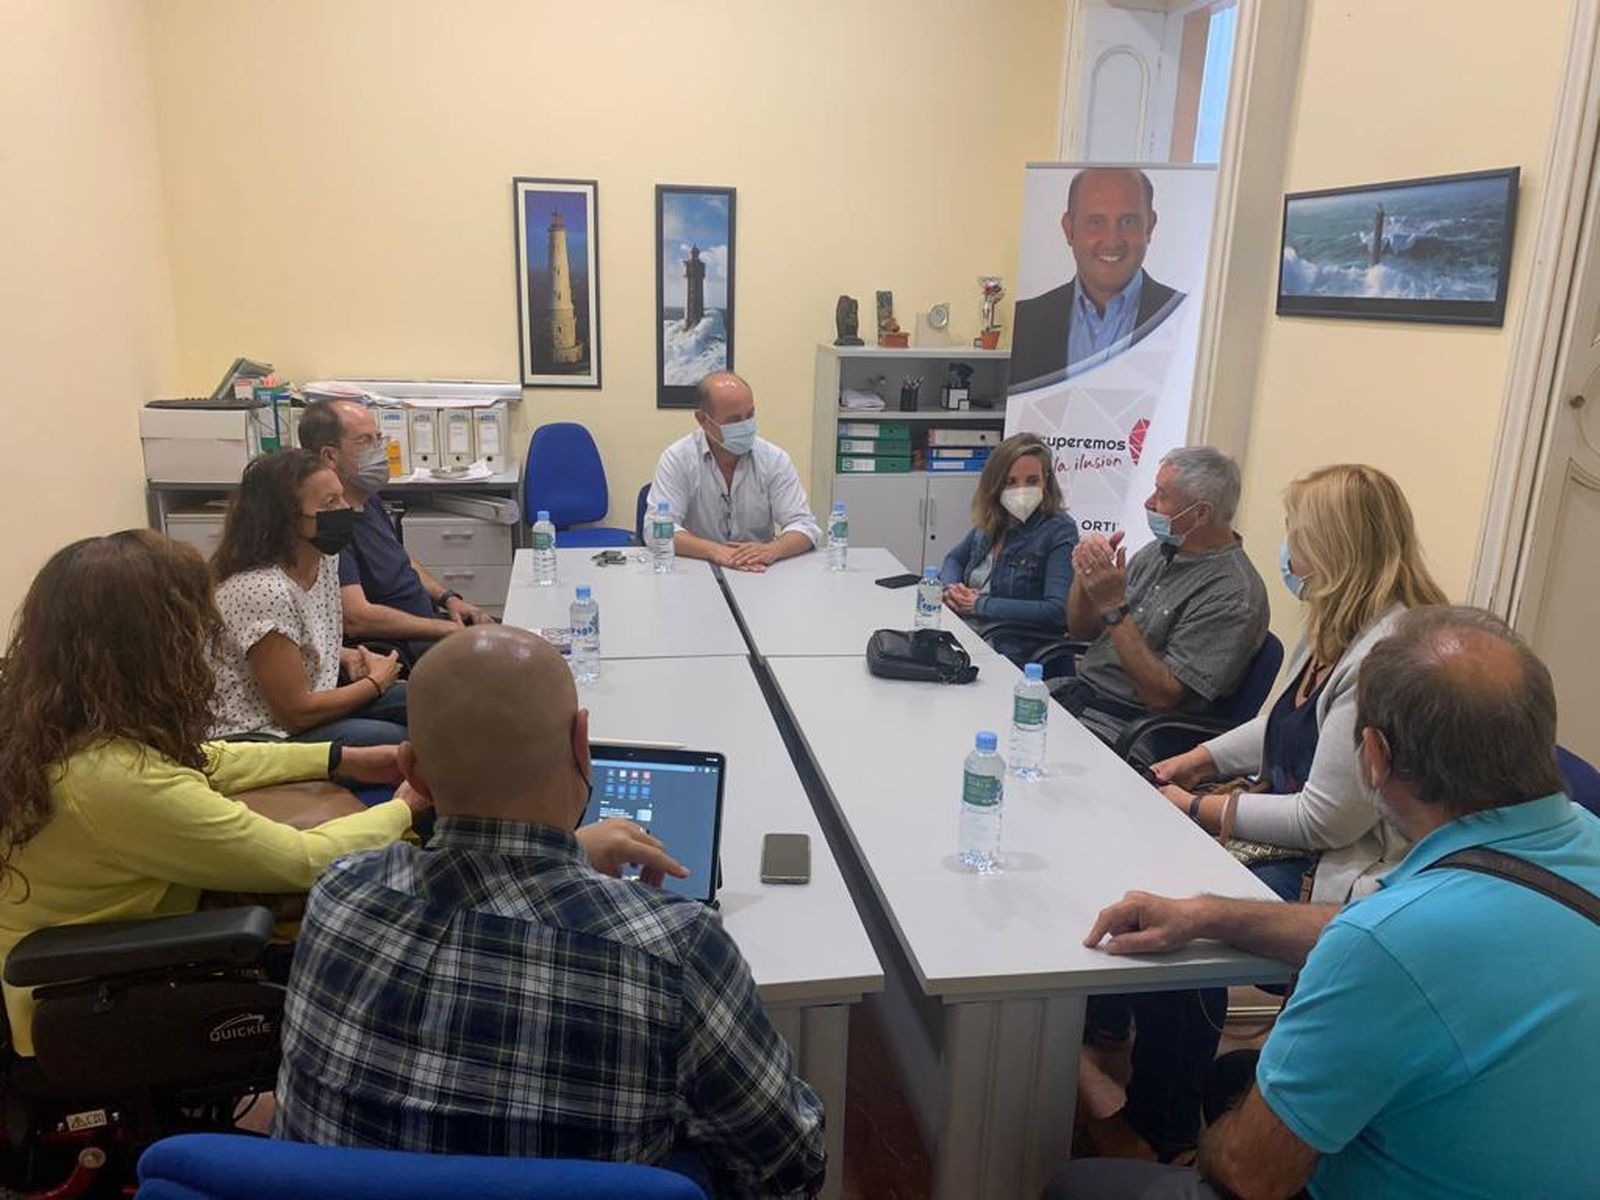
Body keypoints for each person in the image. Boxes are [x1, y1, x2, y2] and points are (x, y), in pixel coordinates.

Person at [1047, 607, 1600, 1200]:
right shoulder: (1575, 840)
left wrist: (1221, 1139)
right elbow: (1379, 934)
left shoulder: (1387, 944)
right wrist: (1209, 915)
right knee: (1236, 1074)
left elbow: (1249, 1172)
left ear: (1375, 756)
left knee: (1078, 1183)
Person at [275, 626, 827, 1197]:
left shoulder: (341, 892)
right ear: (581, 745)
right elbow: (791, 1161)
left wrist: (562, 864)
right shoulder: (674, 947)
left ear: (412, 774)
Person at [1080, 464, 1449, 1163]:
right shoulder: (1336, 624)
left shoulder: (1387, 655)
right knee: (1150, 861)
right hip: (1299, 836)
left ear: (1335, 546)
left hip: (1342, 872)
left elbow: (1324, 823)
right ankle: (1110, 1036)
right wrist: (1200, 761)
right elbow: (1278, 722)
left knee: (1184, 918)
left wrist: (1202, 807)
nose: (1287, 548)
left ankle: (1165, 1125)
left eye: (1297, 533)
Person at [0, 530, 427, 1056]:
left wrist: (339, 759)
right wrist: (404, 803)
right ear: (154, 645)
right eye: (192, 629)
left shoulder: (56, 725)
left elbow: (208, 758)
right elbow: (302, 859)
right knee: (368, 924)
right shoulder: (113, 780)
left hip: (79, 972)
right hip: (93, 1000)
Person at [1059, 447, 1269, 750]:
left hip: (1132, 729)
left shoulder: (1233, 594)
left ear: (1201, 513)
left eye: (1162, 495)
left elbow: (1162, 696)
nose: (1149, 502)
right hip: (1081, 697)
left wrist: (1113, 607)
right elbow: (1083, 632)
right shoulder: (1158, 552)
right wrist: (1087, 577)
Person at [209, 449, 409, 746]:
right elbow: (295, 714)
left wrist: (345, 655)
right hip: (264, 734)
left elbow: (293, 638)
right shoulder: (262, 590)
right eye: (330, 503)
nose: (346, 509)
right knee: (399, 740)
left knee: (430, 699)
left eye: (341, 497)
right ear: (287, 520)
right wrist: (376, 682)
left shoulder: (323, 559)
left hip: (315, 704)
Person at [298, 398, 491, 656]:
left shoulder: (368, 498)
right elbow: (358, 618)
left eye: (379, 438)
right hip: (397, 650)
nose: (379, 449)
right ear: (330, 456)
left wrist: (449, 599)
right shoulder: (331, 526)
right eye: (366, 441)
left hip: (429, 628)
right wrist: (444, 630)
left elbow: (401, 562)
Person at [1009, 167, 1187, 391]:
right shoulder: (1026, 322)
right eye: (1096, 222)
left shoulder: (1186, 319)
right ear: (1069, 229)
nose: (1112, 240)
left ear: (1149, 226)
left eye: (1128, 221)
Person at [646, 370, 821, 572]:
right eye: (735, 420)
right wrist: (714, 551)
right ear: (703, 420)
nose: (746, 425)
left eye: (750, 415)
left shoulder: (774, 459)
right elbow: (655, 529)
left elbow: (804, 526)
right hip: (697, 570)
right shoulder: (678, 458)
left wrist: (773, 549)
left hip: (758, 572)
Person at [938, 432, 1079, 662]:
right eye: (1011, 482)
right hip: (965, 635)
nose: (1022, 490)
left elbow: (1057, 611)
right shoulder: (993, 520)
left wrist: (979, 605)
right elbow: (954, 559)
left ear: (1046, 481)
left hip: (1013, 650)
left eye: (1032, 481)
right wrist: (951, 589)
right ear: (995, 485)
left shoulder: (1059, 530)